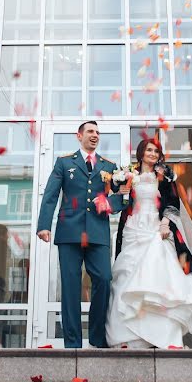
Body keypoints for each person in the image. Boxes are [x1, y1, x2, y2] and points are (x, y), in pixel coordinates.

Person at [107, 139, 192, 349]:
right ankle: (132, 337)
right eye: (149, 150)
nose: (153, 154)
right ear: (141, 152)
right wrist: (119, 187)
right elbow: (119, 198)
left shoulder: (164, 175)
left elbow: (172, 202)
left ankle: (171, 332)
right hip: (132, 229)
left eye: (156, 151)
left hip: (156, 228)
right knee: (126, 274)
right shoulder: (129, 173)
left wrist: (165, 224)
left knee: (163, 276)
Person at [36, 121, 125, 348]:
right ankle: (73, 343)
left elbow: (125, 196)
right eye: (90, 132)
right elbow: (50, 195)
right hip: (69, 233)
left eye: (98, 132)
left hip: (98, 233)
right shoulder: (64, 162)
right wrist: (44, 225)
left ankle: (96, 338)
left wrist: (108, 202)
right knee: (70, 286)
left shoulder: (109, 166)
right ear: (79, 136)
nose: (95, 135)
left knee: (104, 280)